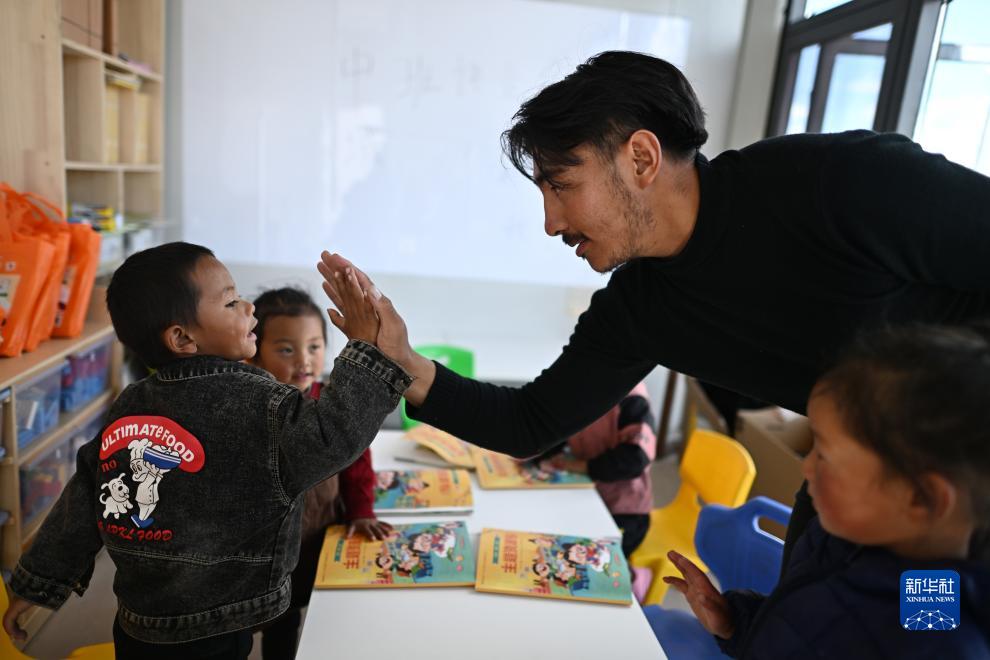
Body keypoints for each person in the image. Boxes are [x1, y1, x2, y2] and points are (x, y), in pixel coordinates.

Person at [318, 50, 990, 567]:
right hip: (857, 490)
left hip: (965, 486)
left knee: (935, 630)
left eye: (561, 185)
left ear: (640, 158)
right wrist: (401, 360)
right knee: (811, 626)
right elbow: (531, 422)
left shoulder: (837, 183)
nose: (550, 222)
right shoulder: (640, 308)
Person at [2, 243, 410, 659]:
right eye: (231, 302)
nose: (249, 307)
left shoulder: (131, 402)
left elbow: (86, 495)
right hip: (219, 624)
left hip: (140, 622)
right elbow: (333, 436)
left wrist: (37, 584)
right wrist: (366, 348)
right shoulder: (263, 403)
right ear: (182, 338)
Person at [664, 324, 990, 658]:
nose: (806, 469)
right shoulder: (839, 535)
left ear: (920, 498)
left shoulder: (931, 632)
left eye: (825, 456)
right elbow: (797, 630)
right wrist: (734, 623)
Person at [250, 287, 391, 660]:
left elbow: (357, 462)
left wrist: (360, 511)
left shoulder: (330, 406)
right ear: (254, 352)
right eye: (286, 350)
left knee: (327, 618)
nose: (304, 360)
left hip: (322, 534)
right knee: (278, 621)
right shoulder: (249, 409)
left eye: (314, 347)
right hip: (271, 551)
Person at [536, 383, 656, 557]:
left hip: (625, 513)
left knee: (584, 558)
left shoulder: (632, 401)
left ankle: (634, 572)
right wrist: (538, 453)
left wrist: (584, 466)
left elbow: (636, 458)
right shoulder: (579, 388)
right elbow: (561, 427)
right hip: (588, 495)